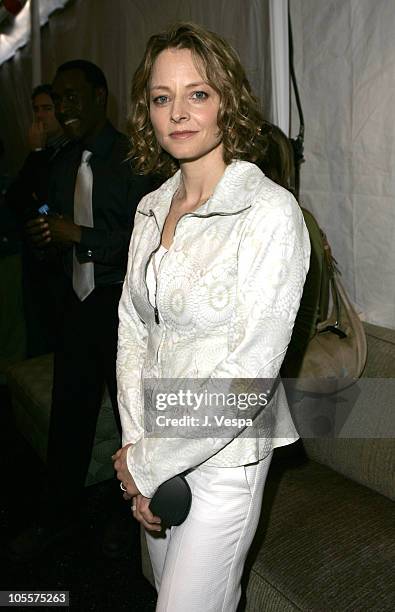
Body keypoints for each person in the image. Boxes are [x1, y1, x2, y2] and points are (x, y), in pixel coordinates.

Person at [113, 23, 310, 611]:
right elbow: (132, 330)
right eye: (161, 97)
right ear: (146, 110)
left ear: (228, 100)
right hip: (152, 441)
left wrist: (148, 463)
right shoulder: (151, 208)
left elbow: (249, 375)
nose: (178, 111)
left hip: (226, 458)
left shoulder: (270, 214)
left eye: (197, 93)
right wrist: (135, 445)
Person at [9, 61, 160, 560]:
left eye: (74, 98)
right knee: (68, 420)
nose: (66, 109)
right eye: (60, 99)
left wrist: (81, 237)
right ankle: (57, 521)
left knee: (130, 422)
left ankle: (132, 524)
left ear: (101, 96)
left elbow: (149, 244)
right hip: (76, 310)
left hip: (122, 313)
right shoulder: (61, 163)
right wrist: (48, 240)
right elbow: (52, 232)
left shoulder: (135, 160)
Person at [5, 84, 69, 357]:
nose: (40, 117)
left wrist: (37, 154)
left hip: (60, 260)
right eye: (36, 110)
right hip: (37, 255)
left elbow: (46, 196)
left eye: (47, 109)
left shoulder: (65, 149)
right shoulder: (44, 150)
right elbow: (17, 198)